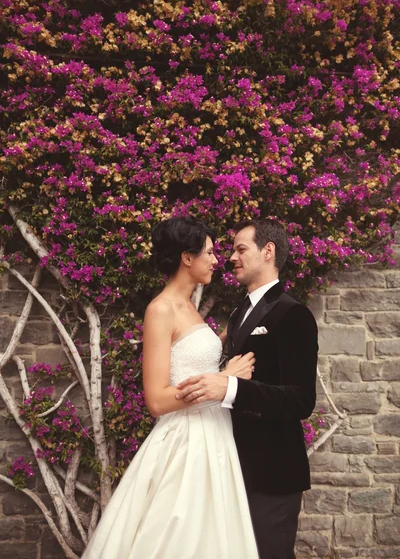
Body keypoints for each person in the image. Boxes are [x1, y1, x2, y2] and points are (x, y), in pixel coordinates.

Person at [82, 216, 259, 559]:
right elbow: (158, 400)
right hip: (185, 443)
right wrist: (224, 380)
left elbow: (197, 363)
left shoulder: (190, 307)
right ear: (186, 258)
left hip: (215, 435)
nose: (215, 260)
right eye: (208, 253)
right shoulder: (160, 310)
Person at [176, 219, 319, 559]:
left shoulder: (293, 314)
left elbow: (301, 400)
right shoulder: (240, 313)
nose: (231, 257)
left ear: (268, 251)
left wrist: (231, 388)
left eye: (241, 249)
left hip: (272, 471)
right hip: (231, 463)